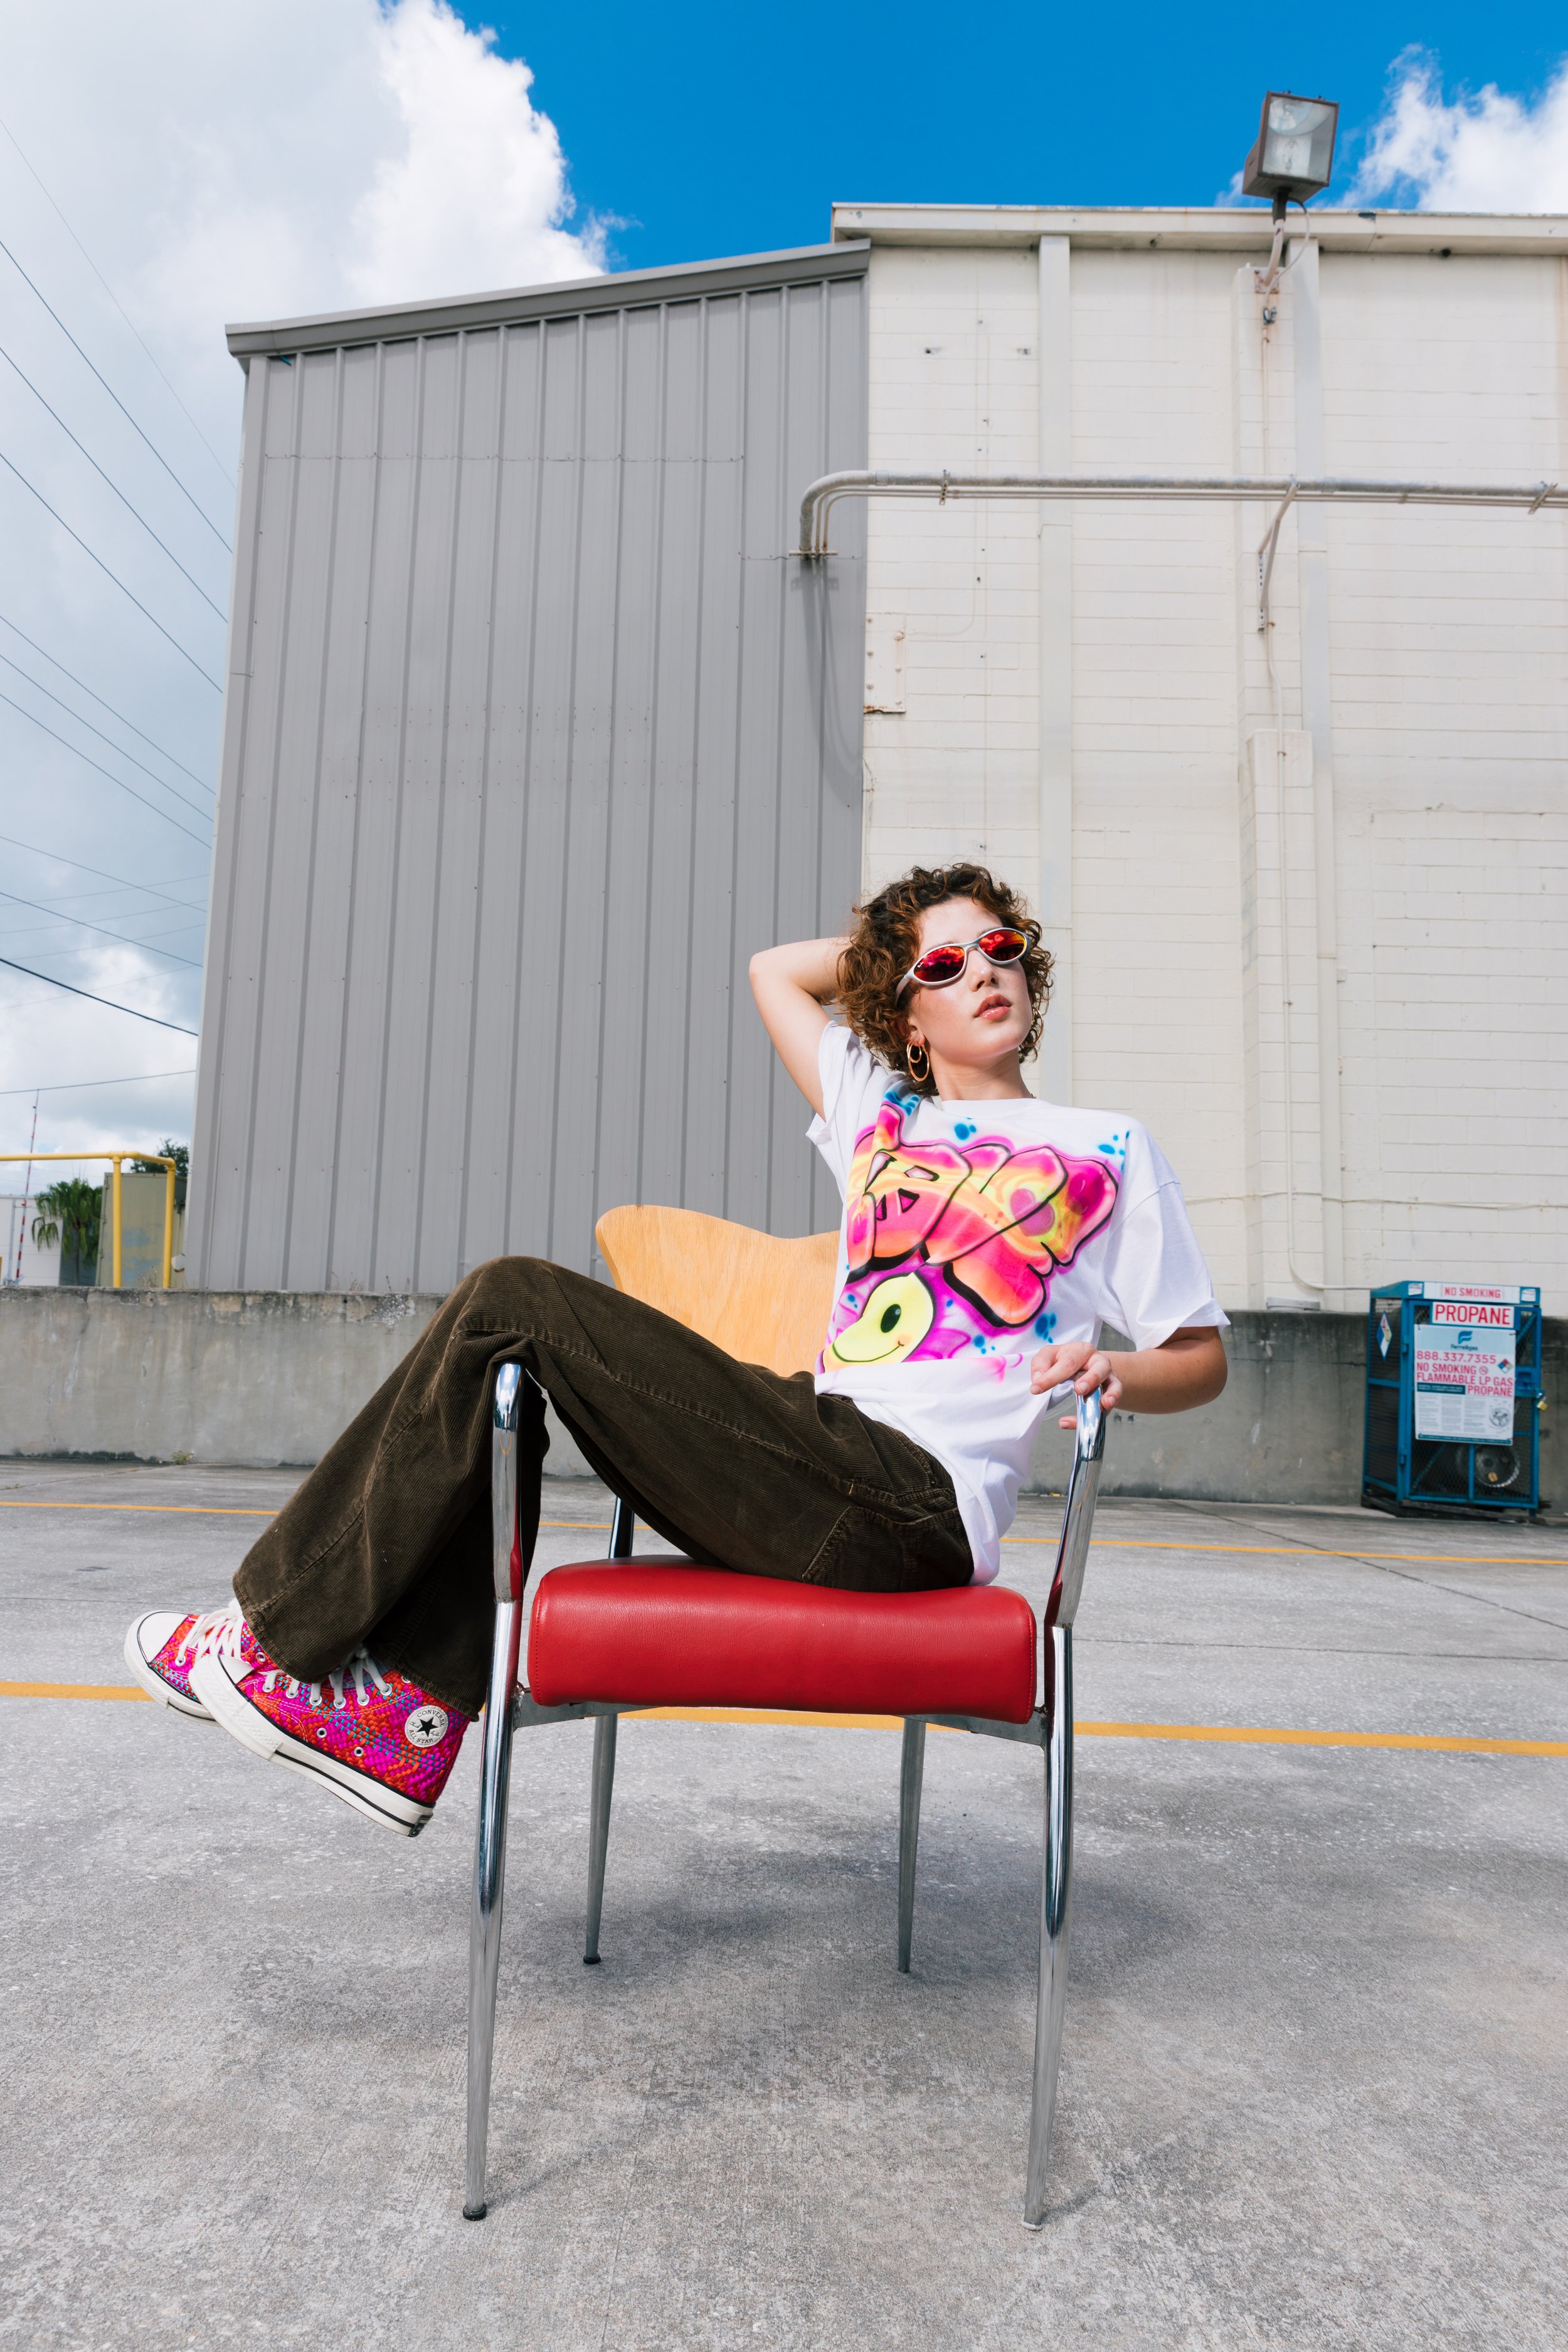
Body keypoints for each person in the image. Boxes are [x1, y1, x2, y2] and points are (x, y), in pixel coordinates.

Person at [125, 861, 1226, 1836]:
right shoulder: (880, 1116)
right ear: (904, 1012)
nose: (984, 972)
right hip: (823, 1454)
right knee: (502, 1352)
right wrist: (897, 946)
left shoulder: (1107, 1148)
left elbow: (1200, 1354)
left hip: (919, 1505)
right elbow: (772, 973)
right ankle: (402, 1708)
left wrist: (1123, 1371)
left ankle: (280, 1647)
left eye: (1000, 949)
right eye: (945, 964)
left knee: (513, 1297)